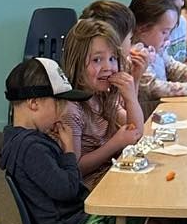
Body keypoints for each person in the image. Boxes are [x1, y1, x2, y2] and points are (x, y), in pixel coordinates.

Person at [0, 56, 176, 224]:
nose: (62, 111)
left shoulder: (28, 139)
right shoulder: (30, 148)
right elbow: (68, 189)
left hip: (75, 216)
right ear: (33, 103)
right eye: (58, 102)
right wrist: (70, 149)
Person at [55, 15, 145, 182]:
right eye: (97, 60)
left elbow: (136, 133)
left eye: (112, 58)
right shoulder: (71, 109)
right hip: (89, 189)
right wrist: (115, 144)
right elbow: (75, 169)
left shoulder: (102, 95)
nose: (108, 67)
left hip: (111, 173)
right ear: (77, 64)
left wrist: (131, 97)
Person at [129, 0, 187, 100]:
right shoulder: (136, 55)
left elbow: (172, 66)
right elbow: (151, 87)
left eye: (170, 31)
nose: (168, 37)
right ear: (143, 29)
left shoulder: (155, 48)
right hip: (148, 114)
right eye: (164, 32)